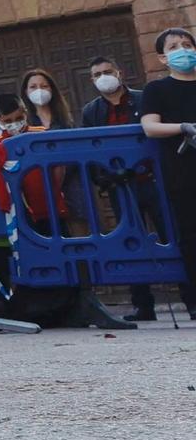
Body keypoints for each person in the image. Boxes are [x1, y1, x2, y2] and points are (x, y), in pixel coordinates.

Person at [79, 58, 155, 320]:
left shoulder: (144, 99)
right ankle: (143, 305)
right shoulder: (91, 111)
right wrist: (103, 179)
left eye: (107, 71)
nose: (103, 77)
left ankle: (191, 298)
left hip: (151, 180)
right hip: (119, 186)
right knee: (130, 241)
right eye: (97, 74)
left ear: (119, 72)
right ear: (92, 80)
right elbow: (89, 147)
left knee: (170, 234)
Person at [136, 28, 196, 318]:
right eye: (174, 46)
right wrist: (183, 127)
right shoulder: (157, 90)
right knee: (192, 235)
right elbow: (150, 126)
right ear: (162, 57)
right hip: (183, 172)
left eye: (187, 44)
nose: (183, 49)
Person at [20, 67, 73, 132]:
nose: (39, 90)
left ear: (51, 89)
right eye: (33, 87)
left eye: (44, 86)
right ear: (26, 92)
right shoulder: (22, 121)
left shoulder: (64, 118)